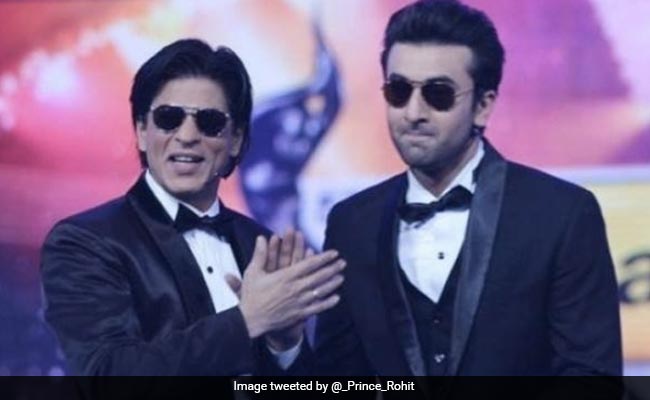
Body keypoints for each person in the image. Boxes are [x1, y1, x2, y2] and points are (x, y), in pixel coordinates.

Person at [285, 0, 622, 377]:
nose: (413, 113)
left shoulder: (561, 215)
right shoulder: (352, 223)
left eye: (438, 94)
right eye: (399, 90)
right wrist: (286, 344)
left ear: (483, 106)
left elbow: (590, 378)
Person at [40, 38, 345, 376]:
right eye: (168, 118)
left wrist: (285, 345)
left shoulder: (261, 244)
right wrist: (246, 321)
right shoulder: (84, 242)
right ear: (141, 131)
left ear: (236, 140)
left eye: (209, 122)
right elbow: (106, 375)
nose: (187, 136)